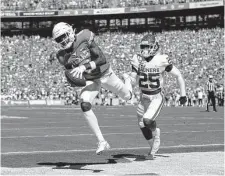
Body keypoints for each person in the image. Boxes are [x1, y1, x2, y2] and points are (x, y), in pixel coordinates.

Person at [52, 22, 132, 154]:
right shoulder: (62, 56)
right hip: (91, 80)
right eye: (59, 39)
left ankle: (128, 80)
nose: (62, 40)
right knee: (84, 104)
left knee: (127, 97)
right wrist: (71, 81)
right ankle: (102, 141)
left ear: (70, 32)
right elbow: (72, 74)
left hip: (106, 74)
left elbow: (102, 59)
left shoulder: (84, 36)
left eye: (63, 36)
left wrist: (84, 66)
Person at [123, 34, 187, 159]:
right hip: (143, 97)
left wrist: (183, 94)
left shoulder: (161, 59)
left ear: (154, 47)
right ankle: (152, 148)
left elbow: (178, 75)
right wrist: (127, 81)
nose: (145, 49)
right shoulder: (137, 59)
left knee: (147, 121)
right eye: (143, 46)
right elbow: (133, 78)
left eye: (147, 46)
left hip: (156, 97)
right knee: (142, 125)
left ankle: (156, 132)